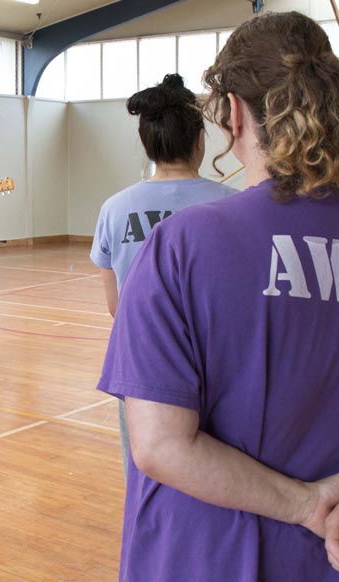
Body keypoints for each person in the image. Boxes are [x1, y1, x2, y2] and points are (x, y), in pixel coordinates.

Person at [97, 11, 339, 582]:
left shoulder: (182, 246)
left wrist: (307, 504)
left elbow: (160, 446)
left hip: (205, 557)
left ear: (234, 111)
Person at [90, 73, 235, 474]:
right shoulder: (235, 205)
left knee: (145, 472)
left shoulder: (115, 208)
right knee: (218, 471)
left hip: (141, 362)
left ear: (146, 143)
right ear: (200, 140)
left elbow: (116, 306)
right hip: (218, 363)